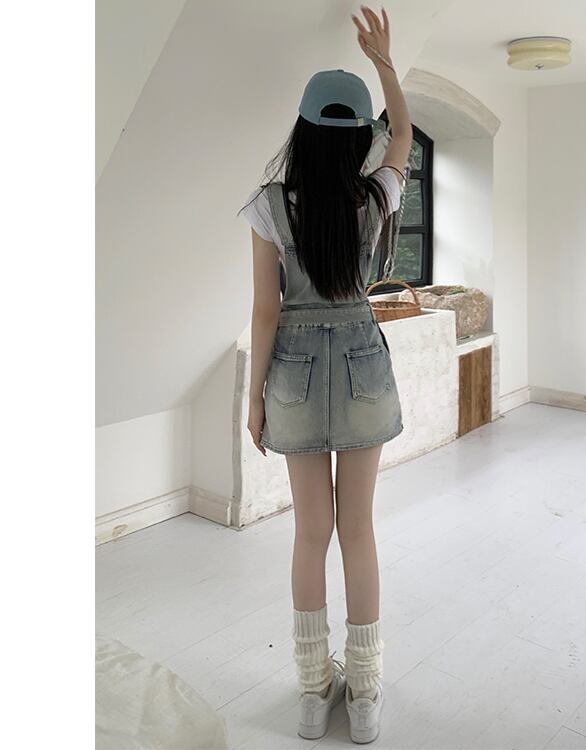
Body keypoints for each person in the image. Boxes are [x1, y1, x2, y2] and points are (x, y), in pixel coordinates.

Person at [237, 5, 411, 744]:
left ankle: (314, 694)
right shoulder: (374, 199)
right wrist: (385, 63)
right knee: (357, 531)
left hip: (295, 375)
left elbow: (266, 312)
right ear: (356, 137)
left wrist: (255, 400)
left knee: (310, 535)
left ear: (303, 132)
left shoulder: (270, 207)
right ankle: (364, 696)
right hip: (363, 361)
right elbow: (401, 136)